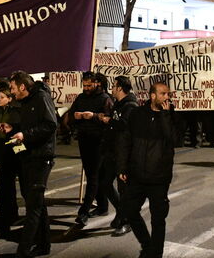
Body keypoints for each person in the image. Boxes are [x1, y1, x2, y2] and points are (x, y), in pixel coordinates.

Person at [118, 82, 179, 258]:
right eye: (163, 94)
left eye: (168, 94)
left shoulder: (171, 115)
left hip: (159, 177)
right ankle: (147, 245)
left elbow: (174, 139)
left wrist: (166, 116)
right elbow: (126, 141)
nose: (167, 97)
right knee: (130, 210)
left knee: (158, 219)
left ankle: (155, 254)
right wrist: (122, 166)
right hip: (137, 175)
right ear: (152, 96)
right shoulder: (137, 114)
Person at [3, 71, 58, 258]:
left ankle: (23, 250)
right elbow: (30, 127)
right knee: (36, 202)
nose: (11, 92)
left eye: (12, 88)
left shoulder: (42, 98)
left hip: (42, 157)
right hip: (28, 156)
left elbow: (50, 125)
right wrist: (15, 130)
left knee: (33, 205)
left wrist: (25, 135)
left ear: (22, 87)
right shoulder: (25, 102)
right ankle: (44, 245)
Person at [68, 71, 114, 226]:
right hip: (84, 139)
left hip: (99, 141)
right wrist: (76, 116)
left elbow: (109, 119)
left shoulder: (105, 99)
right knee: (96, 175)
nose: (86, 88)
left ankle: (84, 212)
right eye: (84, 85)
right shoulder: (81, 98)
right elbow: (71, 116)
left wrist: (93, 116)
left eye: (89, 85)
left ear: (97, 83)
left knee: (93, 177)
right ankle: (102, 206)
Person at [99, 75, 139, 236]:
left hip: (123, 155)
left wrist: (109, 121)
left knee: (124, 190)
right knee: (105, 183)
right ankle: (121, 212)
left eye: (114, 86)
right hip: (112, 152)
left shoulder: (131, 106)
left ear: (120, 88)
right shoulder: (118, 104)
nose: (112, 89)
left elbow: (125, 126)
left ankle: (126, 221)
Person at [0, 83, 22, 234]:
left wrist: (9, 131)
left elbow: (17, 134)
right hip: (4, 150)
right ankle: (10, 214)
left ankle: (6, 218)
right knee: (6, 185)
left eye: (2, 97)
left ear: (9, 99)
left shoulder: (15, 112)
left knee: (5, 185)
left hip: (12, 151)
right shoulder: (2, 111)